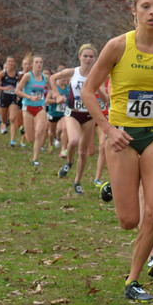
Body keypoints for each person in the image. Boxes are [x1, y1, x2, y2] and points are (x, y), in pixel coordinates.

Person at [80, 0, 153, 303]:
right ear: (134, 12)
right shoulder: (117, 46)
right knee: (129, 220)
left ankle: (133, 280)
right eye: (146, 6)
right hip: (121, 138)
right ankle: (117, 186)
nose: (152, 12)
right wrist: (108, 130)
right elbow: (88, 91)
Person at [51, 45, 105, 195]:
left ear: (95, 59)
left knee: (83, 152)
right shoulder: (72, 72)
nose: (88, 59)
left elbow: (106, 99)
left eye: (91, 57)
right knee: (73, 141)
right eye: (85, 56)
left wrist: (98, 86)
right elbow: (52, 78)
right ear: (80, 57)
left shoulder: (97, 74)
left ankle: (78, 181)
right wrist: (57, 95)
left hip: (88, 115)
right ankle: (69, 162)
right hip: (72, 113)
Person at [15, 56, 50, 166]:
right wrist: (29, 97)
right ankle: (24, 128)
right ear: (32, 64)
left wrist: (49, 98)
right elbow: (17, 91)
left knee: (40, 131)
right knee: (30, 138)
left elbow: (52, 89)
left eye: (41, 62)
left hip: (40, 107)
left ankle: (35, 159)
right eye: (36, 62)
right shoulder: (27, 76)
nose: (39, 64)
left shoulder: (45, 78)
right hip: (28, 107)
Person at [0, 57, 21, 144]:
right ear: (6, 63)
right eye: (9, 61)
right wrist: (4, 88)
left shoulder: (18, 75)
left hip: (13, 97)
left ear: (15, 63)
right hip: (4, 97)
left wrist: (19, 93)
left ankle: (12, 140)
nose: (11, 63)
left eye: (13, 61)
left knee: (13, 118)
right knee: (4, 119)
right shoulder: (2, 74)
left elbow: (21, 85)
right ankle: (2, 120)